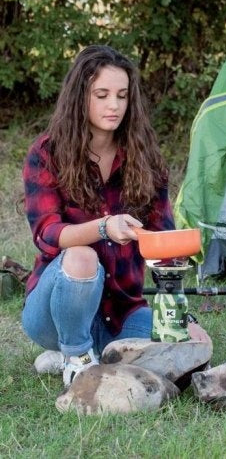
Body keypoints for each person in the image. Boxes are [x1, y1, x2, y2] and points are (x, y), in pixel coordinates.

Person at [22, 45, 210, 387]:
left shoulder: (145, 158)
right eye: (102, 95)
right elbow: (48, 233)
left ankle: (83, 351)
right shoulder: (47, 153)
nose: (114, 105)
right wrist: (105, 227)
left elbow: (162, 240)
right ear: (80, 96)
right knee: (81, 256)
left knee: (189, 346)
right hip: (52, 311)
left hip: (122, 311)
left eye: (122, 96)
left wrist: (183, 315)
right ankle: (76, 357)